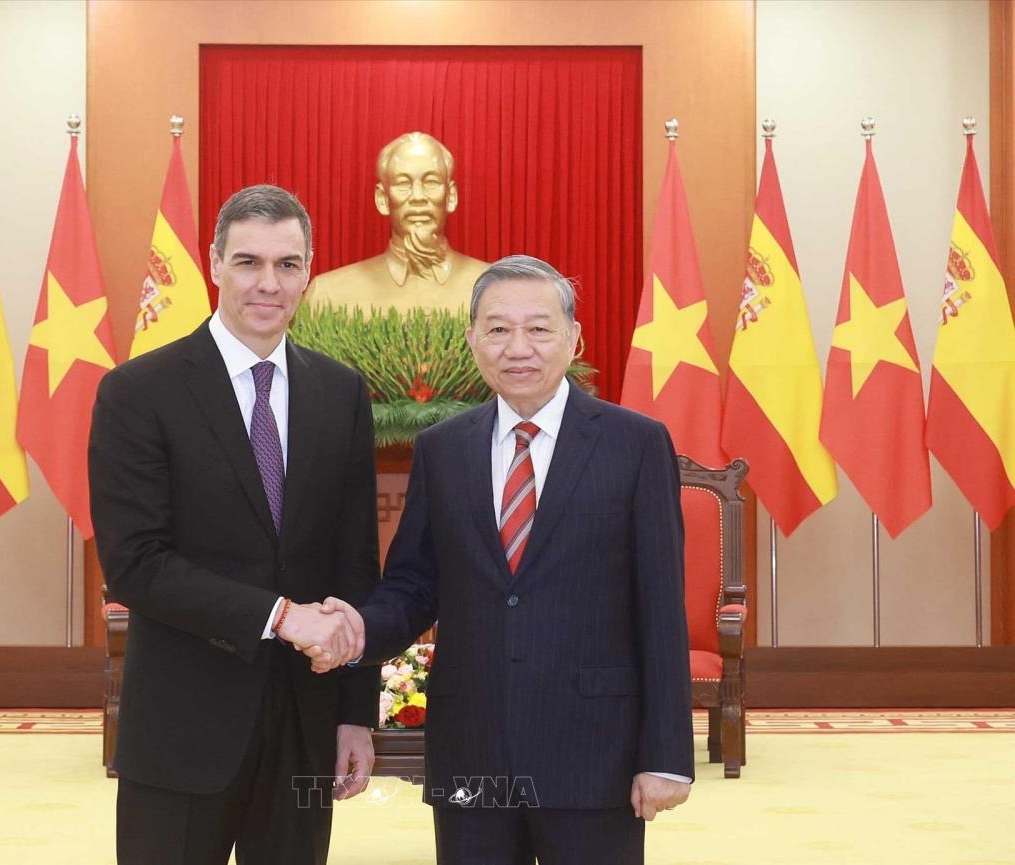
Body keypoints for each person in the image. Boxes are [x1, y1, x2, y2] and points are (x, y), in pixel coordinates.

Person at [313, 255, 694, 865]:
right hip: (473, 749)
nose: (518, 347)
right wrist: (357, 629)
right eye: (497, 329)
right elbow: (414, 585)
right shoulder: (442, 449)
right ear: (472, 340)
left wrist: (667, 755)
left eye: (538, 328)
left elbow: (661, 606)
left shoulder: (636, 444)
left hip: (595, 750)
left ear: (573, 338)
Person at [89, 184, 379, 865]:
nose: (268, 283)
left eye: (287, 264)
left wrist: (354, 714)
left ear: (308, 272)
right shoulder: (138, 391)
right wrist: (279, 616)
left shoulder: (341, 393)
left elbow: (355, 564)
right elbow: (135, 563)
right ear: (215, 262)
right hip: (182, 726)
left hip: (305, 726)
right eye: (249, 262)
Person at [306, 131, 489, 315]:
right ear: (382, 199)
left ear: (451, 196)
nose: (418, 197)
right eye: (403, 184)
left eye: (431, 182)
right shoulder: (328, 297)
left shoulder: (496, 289)